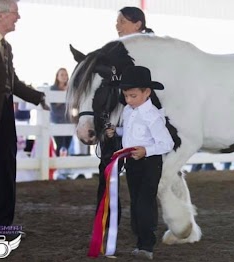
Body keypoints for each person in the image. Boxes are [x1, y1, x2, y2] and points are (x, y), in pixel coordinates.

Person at [0, 0, 50, 249]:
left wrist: (38, 98)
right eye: (15, 13)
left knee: (6, 173)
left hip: (5, 119)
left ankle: (1, 228)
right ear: (1, 15)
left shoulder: (5, 47)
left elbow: (13, 83)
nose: (18, 18)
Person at [106, 66, 174, 260]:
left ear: (147, 92)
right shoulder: (129, 111)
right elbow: (130, 134)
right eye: (126, 96)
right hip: (133, 163)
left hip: (150, 164)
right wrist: (116, 132)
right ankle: (140, 242)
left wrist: (146, 151)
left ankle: (147, 245)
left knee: (145, 202)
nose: (128, 100)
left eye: (133, 96)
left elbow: (167, 143)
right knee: (136, 202)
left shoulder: (152, 115)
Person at [95, 6, 155, 222]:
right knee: (108, 173)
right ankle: (105, 225)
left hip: (144, 129)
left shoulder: (155, 49)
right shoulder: (113, 52)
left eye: (122, 21)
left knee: (141, 181)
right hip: (117, 125)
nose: (117, 25)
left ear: (137, 24)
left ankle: (143, 231)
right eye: (117, 21)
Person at [50, 68, 72, 156]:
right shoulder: (53, 88)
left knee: (67, 146)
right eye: (62, 75)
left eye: (66, 75)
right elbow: (54, 106)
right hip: (57, 121)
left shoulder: (70, 88)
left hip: (69, 120)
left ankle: (65, 166)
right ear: (57, 76)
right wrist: (63, 92)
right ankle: (57, 166)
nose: (64, 77)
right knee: (60, 145)